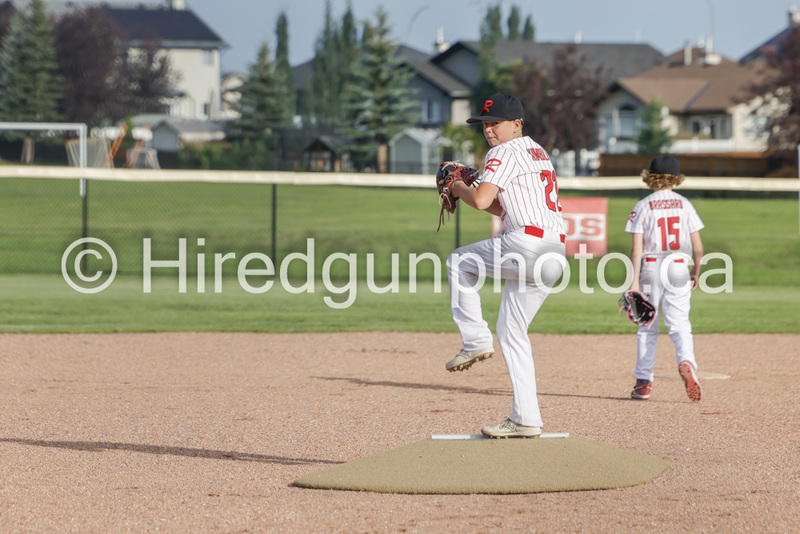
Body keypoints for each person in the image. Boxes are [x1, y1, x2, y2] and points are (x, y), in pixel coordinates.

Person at [444, 93, 566, 438]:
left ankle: (475, 340)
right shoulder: (538, 152)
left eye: (495, 122)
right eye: (484, 124)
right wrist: (468, 188)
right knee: (513, 333)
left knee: (458, 262)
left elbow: (482, 201)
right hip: (554, 251)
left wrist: (456, 186)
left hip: (525, 245)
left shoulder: (501, 151)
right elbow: (502, 208)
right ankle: (526, 417)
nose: (488, 130)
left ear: (516, 124)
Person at [625, 154, 704, 402]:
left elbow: (636, 249)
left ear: (650, 177)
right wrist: (695, 271)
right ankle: (686, 361)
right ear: (676, 178)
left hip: (651, 264)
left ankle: (643, 383)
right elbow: (698, 247)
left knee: (647, 326)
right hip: (679, 264)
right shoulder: (684, 204)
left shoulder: (643, 205)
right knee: (680, 323)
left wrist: (634, 281)